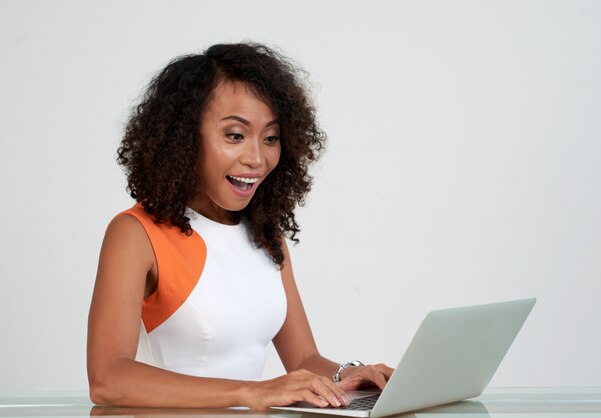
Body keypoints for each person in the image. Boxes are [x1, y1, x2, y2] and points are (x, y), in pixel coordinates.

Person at [87, 42, 393, 409]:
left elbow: (304, 362)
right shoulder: (136, 234)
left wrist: (348, 375)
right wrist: (253, 392)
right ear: (184, 137)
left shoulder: (266, 236)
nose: (256, 158)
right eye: (235, 135)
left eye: (270, 138)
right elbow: (108, 379)